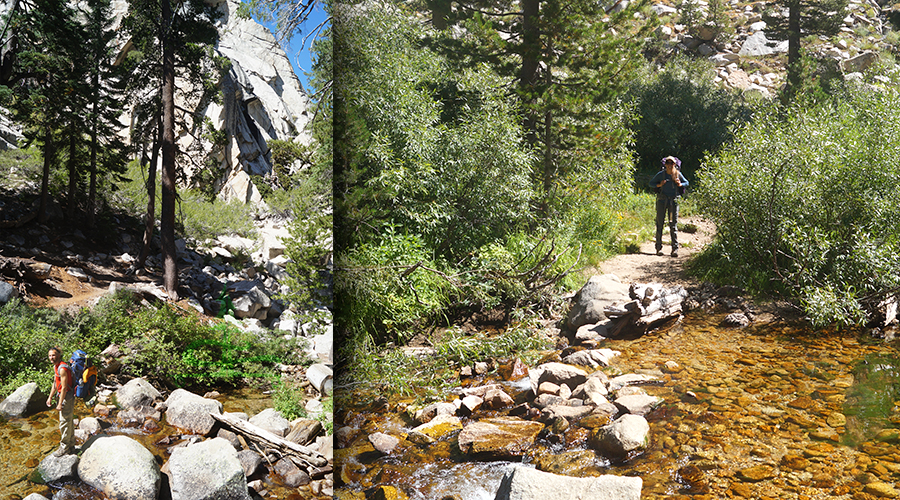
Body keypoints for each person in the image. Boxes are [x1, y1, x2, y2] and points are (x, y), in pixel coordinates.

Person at [649, 156, 689, 257]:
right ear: (665, 164)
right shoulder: (661, 175)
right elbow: (651, 183)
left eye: (672, 163)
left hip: (673, 202)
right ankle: (658, 249)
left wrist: (680, 184)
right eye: (668, 163)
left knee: (673, 225)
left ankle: (675, 249)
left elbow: (687, 182)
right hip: (662, 201)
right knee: (660, 224)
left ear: (674, 164)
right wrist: (659, 185)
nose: (670, 165)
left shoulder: (677, 174)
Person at [46, 346, 76, 457]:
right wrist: (50, 397)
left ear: (58, 355)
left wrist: (59, 403)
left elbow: (64, 387)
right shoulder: (56, 367)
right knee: (68, 421)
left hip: (66, 397)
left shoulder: (62, 368)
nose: (51, 357)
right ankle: (71, 445)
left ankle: (64, 448)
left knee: (64, 422)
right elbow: (55, 383)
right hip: (63, 396)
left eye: (53, 355)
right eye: (49, 355)